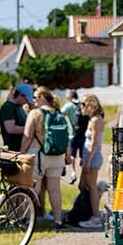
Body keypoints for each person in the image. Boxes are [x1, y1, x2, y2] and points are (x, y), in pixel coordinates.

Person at [21, 87, 73, 231]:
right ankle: (58, 221)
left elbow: (27, 136)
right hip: (57, 156)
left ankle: (27, 220)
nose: (34, 100)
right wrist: (68, 156)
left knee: (34, 189)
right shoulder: (59, 113)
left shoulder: (35, 114)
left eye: (36, 97)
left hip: (38, 153)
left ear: (43, 97)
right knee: (55, 190)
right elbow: (67, 138)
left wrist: (21, 153)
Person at [77, 94, 106, 227]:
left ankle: (95, 217)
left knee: (91, 186)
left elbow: (94, 143)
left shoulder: (96, 120)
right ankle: (90, 209)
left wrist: (87, 161)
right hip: (88, 157)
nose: (81, 107)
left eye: (83, 104)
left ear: (90, 105)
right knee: (82, 185)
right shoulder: (91, 120)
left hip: (93, 157)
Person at [64, 90, 85, 184]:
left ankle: (73, 173)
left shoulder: (69, 105)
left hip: (72, 134)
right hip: (83, 134)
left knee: (72, 155)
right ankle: (83, 176)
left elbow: (59, 114)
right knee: (83, 156)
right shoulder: (81, 105)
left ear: (70, 96)